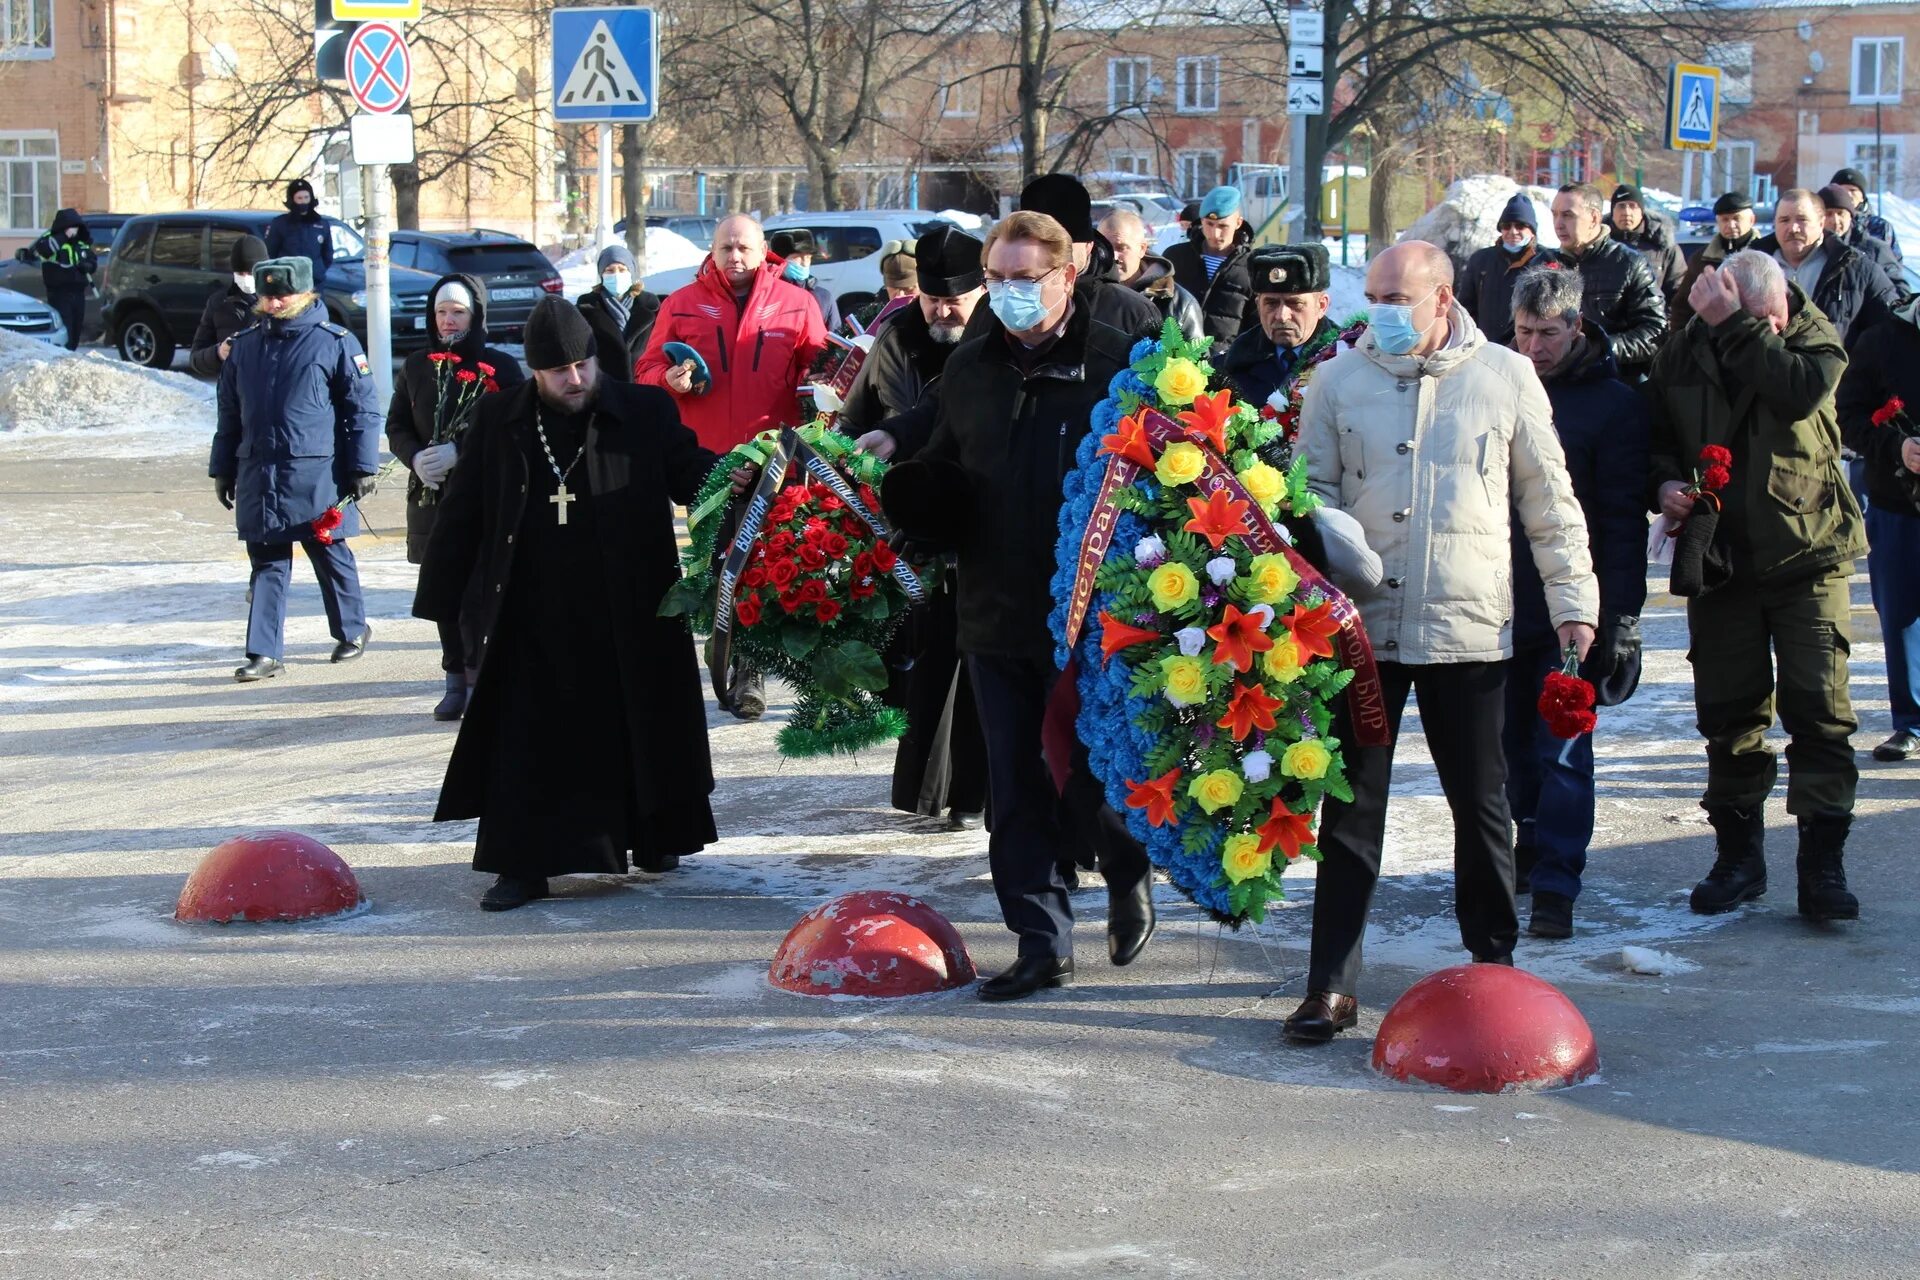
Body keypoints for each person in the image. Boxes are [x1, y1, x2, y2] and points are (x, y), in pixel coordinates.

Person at [1285, 241, 1598, 1043]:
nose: (1382, 311)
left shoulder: (1504, 376)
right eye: (1375, 296)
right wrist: (1326, 547)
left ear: (1444, 298)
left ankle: (1494, 970)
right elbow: (1305, 490)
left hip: (1468, 626)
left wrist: (1574, 604)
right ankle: (1331, 985)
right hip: (1366, 629)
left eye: (1400, 297)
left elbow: (1549, 501)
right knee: (1352, 807)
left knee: (1481, 804)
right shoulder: (1338, 378)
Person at [881, 211, 1154, 1001]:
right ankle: (1041, 942)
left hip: (1099, 619)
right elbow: (945, 466)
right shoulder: (969, 370)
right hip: (995, 611)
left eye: (1024, 281)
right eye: (996, 281)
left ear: (1067, 278)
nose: (1007, 295)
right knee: (1015, 782)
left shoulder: (1118, 366)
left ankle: (1127, 867)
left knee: (1093, 774)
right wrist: (915, 495)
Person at [415, 297, 729, 911]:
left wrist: (735, 473)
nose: (576, 379)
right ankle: (523, 865)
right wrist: (443, 599)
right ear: (535, 370)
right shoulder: (502, 416)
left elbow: (689, 471)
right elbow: (465, 511)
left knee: (640, 723)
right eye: (560, 371)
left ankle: (655, 835)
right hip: (532, 611)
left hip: (631, 605)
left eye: (583, 364)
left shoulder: (642, 408)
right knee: (529, 740)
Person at [1647, 250, 1865, 922]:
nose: (1768, 329)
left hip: (1810, 556)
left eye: (1770, 320)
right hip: (1724, 563)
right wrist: (1666, 487)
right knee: (1730, 715)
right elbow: (1655, 438)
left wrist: (1740, 327)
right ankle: (1739, 858)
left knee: (1819, 710)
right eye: (1751, 322)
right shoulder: (1685, 352)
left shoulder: (1812, 336)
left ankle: (1821, 868)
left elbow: (1798, 389)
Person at [1503, 266, 1650, 940]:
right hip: (1500, 604)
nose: (1535, 347)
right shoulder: (1497, 388)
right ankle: (1526, 849)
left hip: (1574, 610)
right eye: (1525, 332)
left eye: (1549, 334)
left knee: (1561, 749)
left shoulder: (1613, 405)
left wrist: (1619, 619)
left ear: (1577, 328)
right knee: (1509, 750)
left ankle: (1557, 883)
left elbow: (1622, 523)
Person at [635, 214, 829, 720]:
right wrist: (669, 380)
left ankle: (765, 667)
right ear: (713, 250)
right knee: (721, 564)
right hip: (707, 460)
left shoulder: (797, 303)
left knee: (769, 562)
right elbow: (645, 369)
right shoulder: (680, 304)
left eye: (744, 247)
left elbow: (822, 369)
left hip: (776, 457)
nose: (735, 257)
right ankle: (732, 661)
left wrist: (827, 387)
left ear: (764, 250)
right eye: (726, 248)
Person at [838, 224, 992, 829]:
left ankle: (976, 792)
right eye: (932, 299)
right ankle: (931, 793)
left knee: (980, 664)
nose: (942, 311)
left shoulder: (995, 342)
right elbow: (857, 417)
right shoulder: (896, 337)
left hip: (981, 519)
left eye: (953, 299)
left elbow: (945, 412)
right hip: (911, 523)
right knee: (927, 662)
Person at [209, 256, 380, 683]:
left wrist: (362, 465)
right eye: (267, 295)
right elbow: (229, 413)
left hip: (316, 471)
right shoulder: (245, 345)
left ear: (306, 293)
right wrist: (222, 469)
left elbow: (361, 409)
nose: (273, 302)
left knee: (327, 549)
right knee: (266, 560)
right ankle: (264, 653)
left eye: (282, 294)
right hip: (258, 471)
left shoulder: (334, 342)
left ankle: (352, 630)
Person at [385, 273, 527, 721]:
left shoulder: (500, 368)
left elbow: (516, 428)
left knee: (481, 591)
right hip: (431, 498)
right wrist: (416, 457)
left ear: (476, 315)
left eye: (458, 312)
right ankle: (453, 680)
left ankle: (483, 674)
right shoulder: (416, 366)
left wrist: (460, 451)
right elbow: (397, 426)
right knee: (444, 589)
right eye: (441, 312)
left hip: (485, 496)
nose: (448, 321)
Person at [1834, 294, 1920, 764]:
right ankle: (1909, 722)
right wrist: (1896, 445)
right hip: (1897, 503)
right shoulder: (1883, 339)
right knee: (1902, 614)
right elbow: (1848, 414)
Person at [1017, 174, 1161, 339]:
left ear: (1088, 246)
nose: (1052, 256)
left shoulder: (1133, 312)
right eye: (1041, 246)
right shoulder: (1000, 305)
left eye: (1065, 246)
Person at [1755, 188, 1899, 347]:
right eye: (1784, 220)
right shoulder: (1752, 267)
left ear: (1821, 223)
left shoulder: (1856, 269)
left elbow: (1891, 330)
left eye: (1802, 219)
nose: (1793, 228)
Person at [1549, 182, 1666, 375]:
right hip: (1554, 383)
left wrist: (1600, 348)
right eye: (1555, 214)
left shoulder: (1629, 263)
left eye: (1568, 215)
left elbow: (1655, 332)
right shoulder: (1543, 264)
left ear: (1594, 218)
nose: (1558, 223)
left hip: (1613, 380)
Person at [1217, 243, 1352, 410]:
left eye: (1295, 303)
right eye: (1271, 303)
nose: (1281, 315)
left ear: (1322, 306)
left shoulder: (1347, 362)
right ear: (1258, 305)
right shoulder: (1229, 367)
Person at [1456, 193, 1565, 347]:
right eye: (1506, 226)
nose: (1513, 231)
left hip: (1529, 348)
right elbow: (1465, 308)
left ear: (1532, 230)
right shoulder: (1481, 260)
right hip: (1485, 346)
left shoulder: (1547, 261)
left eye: (1520, 226)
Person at [1164, 184, 1258, 342]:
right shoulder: (1175, 257)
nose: (1215, 233)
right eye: (1209, 224)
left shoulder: (1252, 266)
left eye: (1223, 226)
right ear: (1201, 221)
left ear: (1238, 223)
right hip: (1177, 359)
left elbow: (1256, 326)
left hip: (1227, 362)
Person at [1098, 208, 1202, 341]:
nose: (1113, 256)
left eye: (1121, 247)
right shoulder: (1082, 293)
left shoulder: (1178, 303)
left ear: (1142, 249)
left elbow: (1197, 359)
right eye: (1105, 247)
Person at [1670, 192, 1761, 329]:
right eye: (1725, 219)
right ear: (1718, 222)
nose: (1731, 225)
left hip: (1755, 337)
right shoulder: (1701, 259)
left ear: (1752, 220)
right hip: (1708, 342)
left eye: (1737, 218)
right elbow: (1682, 306)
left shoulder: (1766, 255)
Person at [576, 244, 659, 384]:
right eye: (610, 270)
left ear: (631, 272)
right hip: (603, 389)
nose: (616, 275)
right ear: (601, 274)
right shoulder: (587, 307)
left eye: (622, 269)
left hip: (643, 388)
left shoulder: (651, 306)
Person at [18, 208, 97, 350]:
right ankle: (63, 357)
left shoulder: (81, 242)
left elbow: (92, 260)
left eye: (76, 227)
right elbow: (45, 250)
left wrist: (88, 265)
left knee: (75, 331)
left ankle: (71, 356)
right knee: (64, 330)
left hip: (78, 293)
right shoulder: (50, 238)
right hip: (60, 294)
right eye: (71, 227)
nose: (74, 230)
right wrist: (64, 236)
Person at [189, 235, 267, 376]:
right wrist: (218, 353)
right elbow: (196, 358)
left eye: (250, 273)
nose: (245, 278)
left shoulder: (277, 302)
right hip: (232, 390)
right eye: (240, 273)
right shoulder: (219, 303)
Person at [1819, 185, 1904, 292]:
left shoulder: (1875, 250)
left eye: (1841, 213)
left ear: (1850, 216)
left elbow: (1899, 294)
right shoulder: (1810, 250)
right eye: (1828, 214)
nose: (1835, 220)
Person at [1609, 184, 1685, 300]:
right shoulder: (1598, 245)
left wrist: (1663, 317)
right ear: (1612, 212)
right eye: (1621, 206)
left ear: (1642, 211)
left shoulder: (1663, 246)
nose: (1626, 212)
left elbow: (1679, 291)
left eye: (1632, 206)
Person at [769, 227, 842, 332]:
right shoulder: (766, 294)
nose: (804, 263)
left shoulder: (823, 297)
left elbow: (835, 340)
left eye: (808, 257)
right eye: (797, 257)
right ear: (779, 259)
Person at [263, 179, 334, 286]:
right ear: (292, 199)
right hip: (288, 283)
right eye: (299, 198)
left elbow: (327, 254)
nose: (303, 202)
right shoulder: (280, 223)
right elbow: (271, 252)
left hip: (314, 281)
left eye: (306, 197)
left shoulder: (321, 224)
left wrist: (319, 270)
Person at [1830, 167, 1903, 262]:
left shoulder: (1880, 227)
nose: (1848, 194)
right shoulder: (1824, 222)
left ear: (1862, 197)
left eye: (1853, 190)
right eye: (1842, 190)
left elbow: (1894, 265)